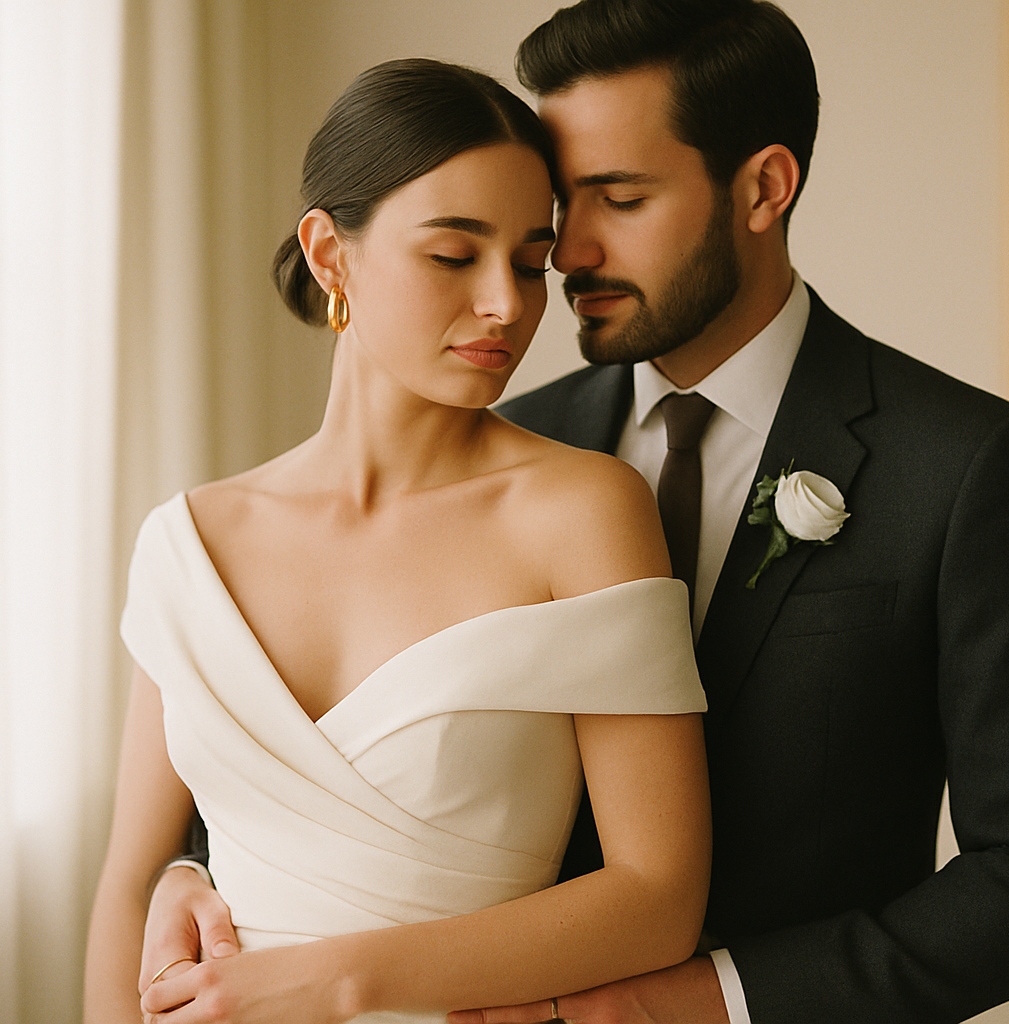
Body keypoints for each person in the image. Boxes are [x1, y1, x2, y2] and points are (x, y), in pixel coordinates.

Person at [143, 2, 1009, 1022]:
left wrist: (711, 999)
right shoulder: (503, 436)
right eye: (563, 211)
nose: (566, 258)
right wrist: (186, 870)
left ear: (762, 187)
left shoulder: (965, 465)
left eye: (618, 198)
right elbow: (355, 770)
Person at [83, 57, 712, 1024]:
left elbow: (659, 898)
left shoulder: (583, 511)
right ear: (332, 254)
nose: (507, 303)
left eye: (531, 260)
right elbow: (131, 885)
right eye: (454, 257)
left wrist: (335, 982)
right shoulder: (192, 541)